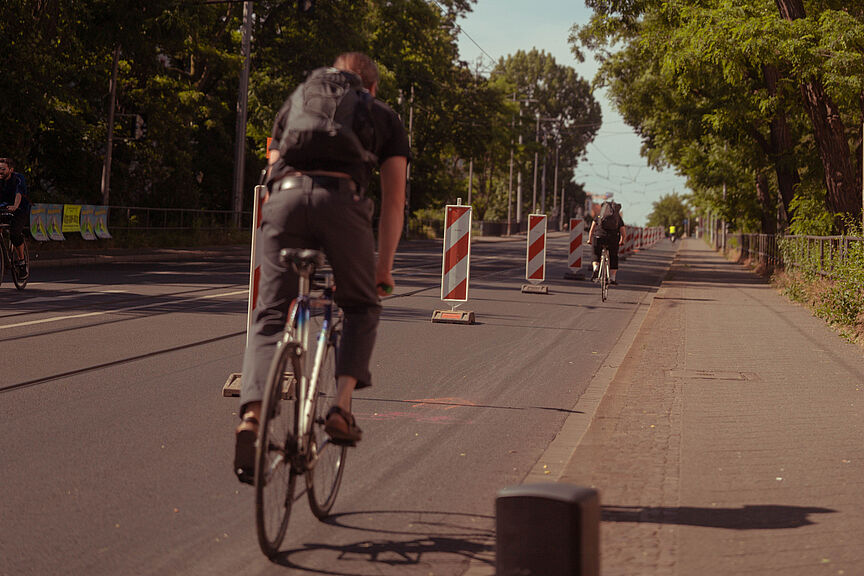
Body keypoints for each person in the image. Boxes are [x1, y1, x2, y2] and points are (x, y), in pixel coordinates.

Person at [234, 53, 410, 484]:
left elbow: (274, 165)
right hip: (340, 202)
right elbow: (393, 200)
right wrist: (382, 269)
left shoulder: (296, 102)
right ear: (370, 86)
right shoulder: (380, 113)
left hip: (284, 202)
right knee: (361, 306)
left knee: (270, 314)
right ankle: (340, 409)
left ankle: (253, 416)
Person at [0, 158, 31, 278]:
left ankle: (22, 262)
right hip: (2, 208)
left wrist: (15, 206)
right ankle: (3, 258)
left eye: (3, 169)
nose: (0, 171)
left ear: (10, 170)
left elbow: (19, 193)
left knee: (14, 234)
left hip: (19, 209)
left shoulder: (18, 178)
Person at [587, 201, 626, 285]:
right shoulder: (618, 218)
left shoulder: (599, 215)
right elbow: (623, 232)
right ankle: (612, 278)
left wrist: (590, 240)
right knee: (613, 256)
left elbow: (592, 230)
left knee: (596, 254)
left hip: (599, 237)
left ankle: (596, 268)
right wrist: (622, 241)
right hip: (613, 239)